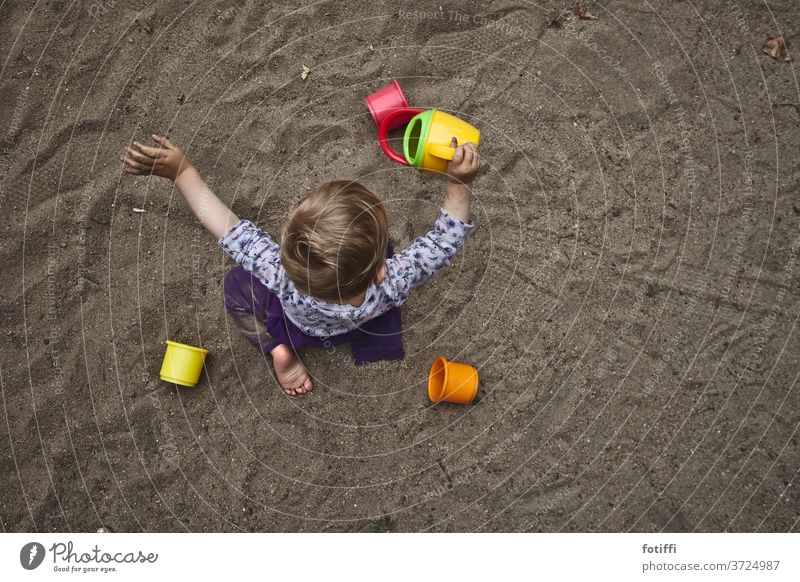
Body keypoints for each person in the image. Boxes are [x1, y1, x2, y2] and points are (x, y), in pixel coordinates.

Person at [120, 135, 480, 396]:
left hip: (303, 327)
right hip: (364, 318)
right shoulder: (396, 280)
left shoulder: (279, 274)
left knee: (236, 288)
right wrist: (459, 184)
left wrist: (182, 172)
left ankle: (280, 352)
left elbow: (225, 226)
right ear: (380, 270)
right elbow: (443, 242)